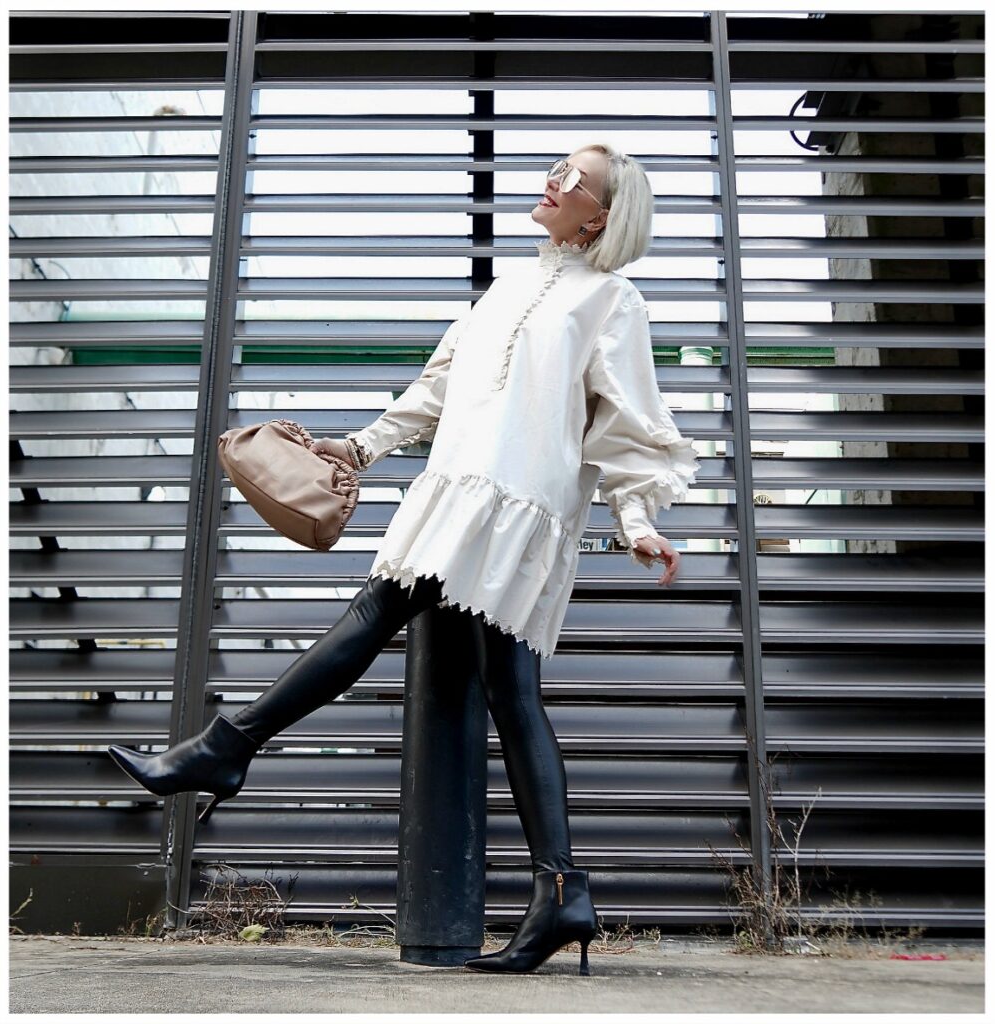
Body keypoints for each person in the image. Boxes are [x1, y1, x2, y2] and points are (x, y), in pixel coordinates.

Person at [107, 143, 699, 976]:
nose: (554, 180)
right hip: (457, 488)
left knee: (378, 613)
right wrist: (357, 447)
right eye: (558, 167)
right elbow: (439, 385)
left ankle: (226, 747)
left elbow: (630, 422)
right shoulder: (510, 286)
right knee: (510, 691)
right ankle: (561, 890)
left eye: (574, 178)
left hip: (514, 507)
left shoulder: (612, 301)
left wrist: (636, 521)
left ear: (600, 215)